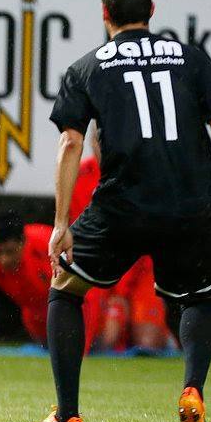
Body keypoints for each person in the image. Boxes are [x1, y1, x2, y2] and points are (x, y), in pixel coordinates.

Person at [28, 0, 211, 422]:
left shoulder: (88, 67)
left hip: (122, 204)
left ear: (104, 14)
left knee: (66, 291)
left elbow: (70, 142)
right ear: (153, 12)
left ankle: (66, 416)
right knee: (199, 299)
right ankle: (192, 390)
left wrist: (62, 224)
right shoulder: (191, 58)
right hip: (190, 204)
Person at [70, 133, 173, 353]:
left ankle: (166, 337)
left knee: (148, 344)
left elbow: (143, 237)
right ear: (93, 144)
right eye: (100, 141)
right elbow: (81, 242)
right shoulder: (77, 178)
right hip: (98, 272)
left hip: (139, 268)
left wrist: (120, 292)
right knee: (100, 339)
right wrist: (107, 294)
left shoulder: (140, 175)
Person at [0, 212, 100, 353]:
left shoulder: (49, 244)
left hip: (86, 311)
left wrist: (81, 348)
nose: (4, 260)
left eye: (10, 252)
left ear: (23, 242)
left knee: (102, 342)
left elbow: (88, 295)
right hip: (37, 317)